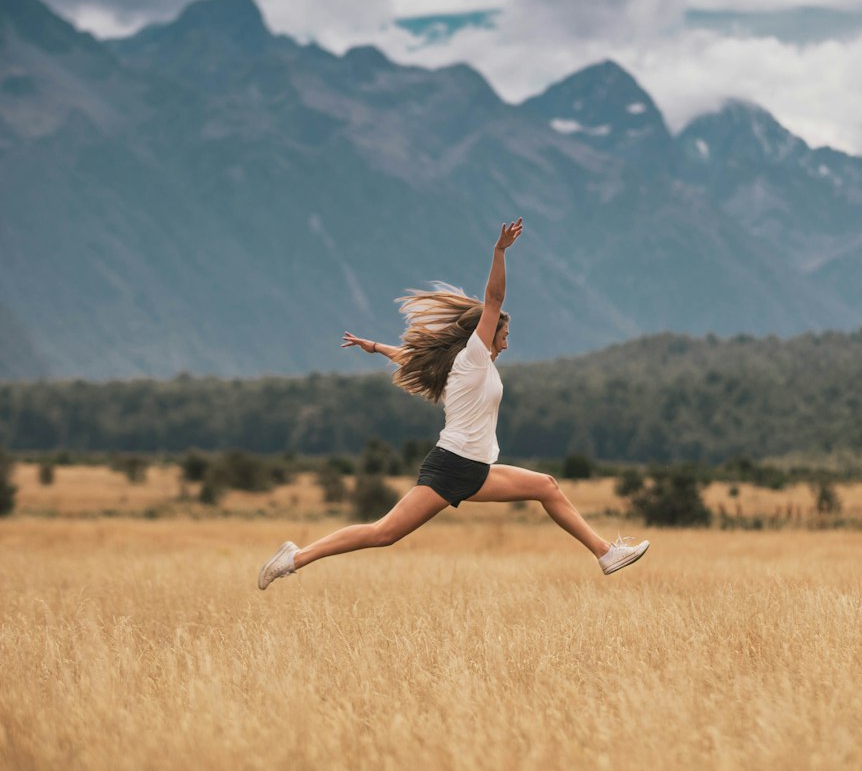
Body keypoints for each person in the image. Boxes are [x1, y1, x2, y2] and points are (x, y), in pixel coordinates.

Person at [257, 220, 648, 589]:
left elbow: (412, 360)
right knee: (384, 533)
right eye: (504, 334)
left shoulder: (462, 368)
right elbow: (494, 298)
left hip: (472, 467)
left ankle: (605, 554)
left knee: (546, 486)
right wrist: (500, 251)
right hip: (455, 464)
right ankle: (295, 558)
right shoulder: (474, 356)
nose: (507, 343)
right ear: (487, 334)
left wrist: (375, 347)